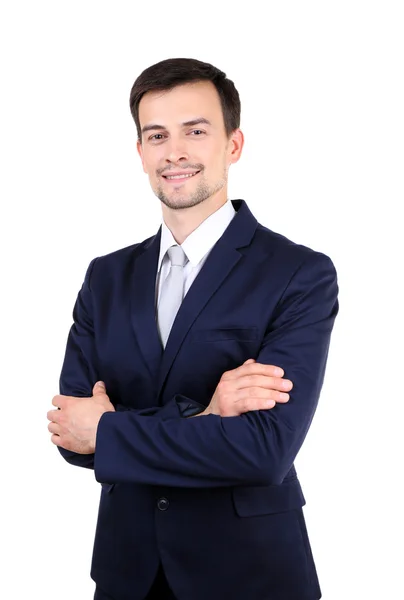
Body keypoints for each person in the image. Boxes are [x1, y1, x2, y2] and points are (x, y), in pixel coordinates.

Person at [47, 57, 339, 600]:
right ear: (140, 153)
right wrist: (206, 414)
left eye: (195, 131)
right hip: (127, 573)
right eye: (156, 135)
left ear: (233, 144)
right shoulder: (106, 276)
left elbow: (264, 451)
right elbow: (72, 432)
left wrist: (112, 430)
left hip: (251, 573)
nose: (174, 151)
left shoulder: (298, 273)